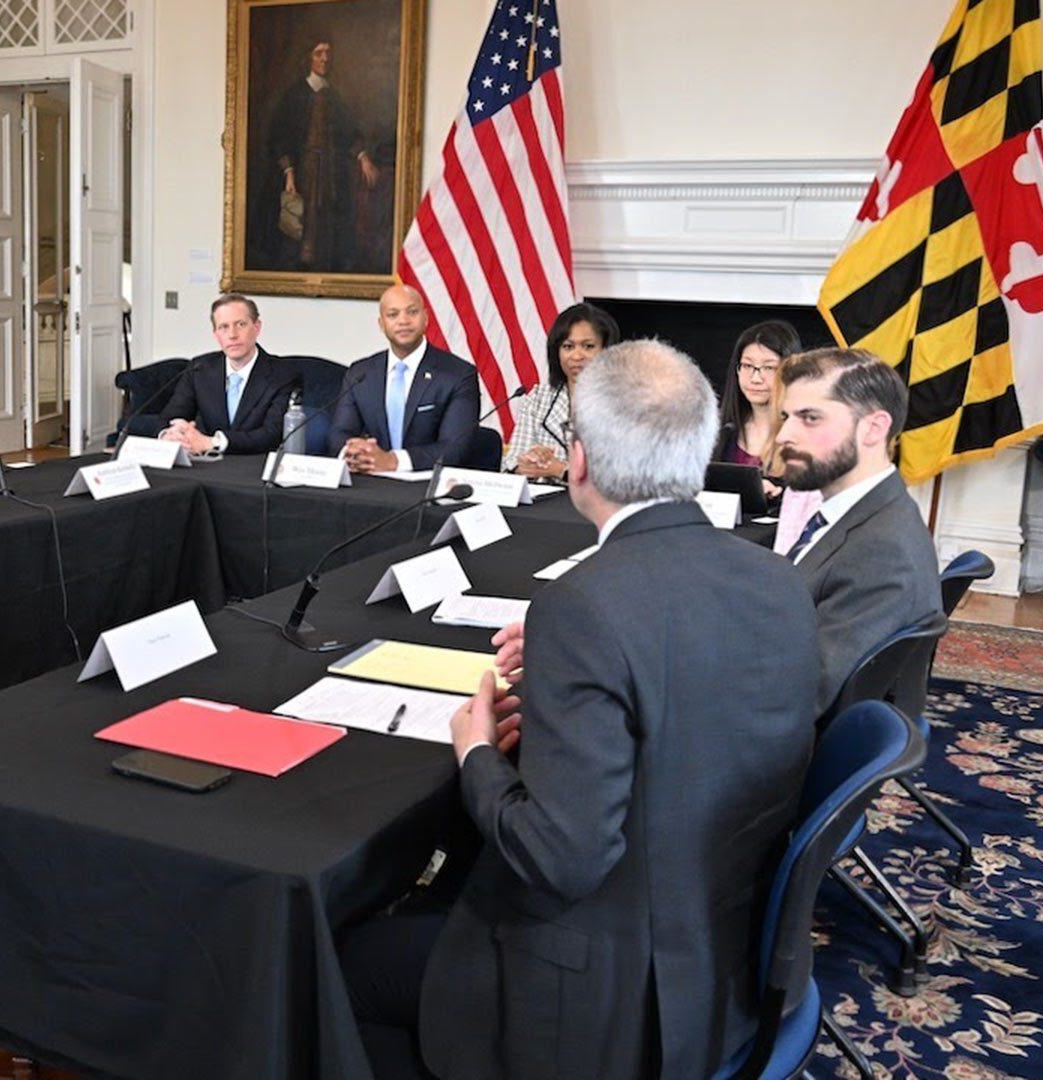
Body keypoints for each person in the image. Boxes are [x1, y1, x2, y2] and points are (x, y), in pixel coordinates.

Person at [342, 339, 821, 1079]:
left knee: (343, 964)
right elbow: (693, 704)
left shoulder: (582, 607)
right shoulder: (780, 578)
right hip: (726, 961)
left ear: (582, 460)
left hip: (603, 1002)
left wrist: (474, 752)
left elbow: (559, 858)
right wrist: (578, 692)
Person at [774, 346, 943, 713]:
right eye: (786, 416)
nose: (783, 435)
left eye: (810, 418)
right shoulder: (868, 513)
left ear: (873, 428)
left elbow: (803, 694)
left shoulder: (883, 553)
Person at [331, 284, 481, 473]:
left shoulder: (458, 375)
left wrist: (393, 461)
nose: (403, 321)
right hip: (369, 482)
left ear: (425, 318)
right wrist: (354, 454)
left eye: (412, 312)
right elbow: (339, 434)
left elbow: (455, 448)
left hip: (425, 486)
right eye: (393, 315)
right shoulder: (360, 373)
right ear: (381, 324)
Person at [267, 38, 378, 272]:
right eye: (319, 53)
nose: (325, 59)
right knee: (299, 222)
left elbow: (349, 132)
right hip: (303, 170)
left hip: (329, 171)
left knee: (327, 221)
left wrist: (363, 158)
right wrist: (289, 173)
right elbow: (280, 136)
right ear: (309, 57)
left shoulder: (333, 96)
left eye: (328, 53)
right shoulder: (295, 95)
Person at [157, 293, 301, 455]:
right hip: (204, 466)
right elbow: (170, 417)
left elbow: (272, 434)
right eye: (223, 327)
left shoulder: (282, 374)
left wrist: (212, 442)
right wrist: (170, 435)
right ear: (216, 334)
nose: (232, 335)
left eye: (240, 324)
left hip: (252, 469)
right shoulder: (199, 369)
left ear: (256, 327)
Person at [502, 302, 619, 480]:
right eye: (568, 347)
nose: (577, 356)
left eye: (588, 346)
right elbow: (512, 460)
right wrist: (532, 461)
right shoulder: (538, 398)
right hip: (543, 502)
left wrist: (562, 470)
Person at [713, 319, 801, 506]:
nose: (755, 378)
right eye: (747, 366)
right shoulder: (723, 431)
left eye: (768, 368)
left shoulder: (803, 436)